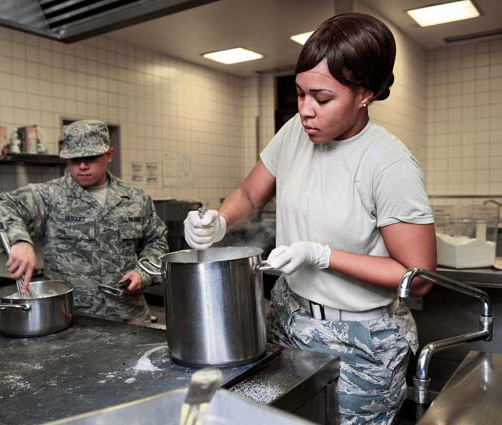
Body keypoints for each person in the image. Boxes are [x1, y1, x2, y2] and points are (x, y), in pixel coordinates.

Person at [183, 13, 436, 425]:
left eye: (322, 98)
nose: (306, 111)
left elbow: (418, 275)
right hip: (288, 319)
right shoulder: (293, 134)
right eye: (300, 94)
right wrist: (219, 221)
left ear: (365, 93)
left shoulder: (388, 164)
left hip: (360, 343)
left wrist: (322, 255)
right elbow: (250, 193)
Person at [0, 120, 168, 322]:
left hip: (129, 315)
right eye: (75, 160)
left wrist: (142, 274)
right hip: (70, 317)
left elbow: (157, 242)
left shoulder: (136, 198)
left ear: (109, 154)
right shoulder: (49, 196)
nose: (83, 166)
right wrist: (19, 240)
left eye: (91, 158)